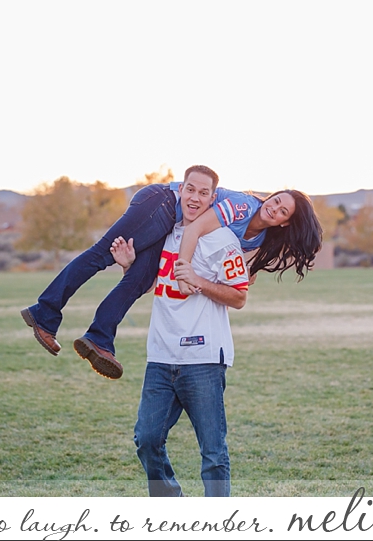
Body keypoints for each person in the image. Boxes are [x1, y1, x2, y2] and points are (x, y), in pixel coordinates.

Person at [21, 165, 322, 379]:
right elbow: (194, 230)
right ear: (271, 195)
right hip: (161, 202)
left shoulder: (257, 239)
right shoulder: (242, 206)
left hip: (169, 224)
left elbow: (240, 274)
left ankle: (99, 338)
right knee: (101, 255)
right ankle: (45, 312)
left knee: (138, 281)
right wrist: (184, 270)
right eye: (277, 200)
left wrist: (243, 275)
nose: (274, 208)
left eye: (283, 211)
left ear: (285, 223)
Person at [111, 166, 246, 497]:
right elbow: (152, 284)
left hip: (202, 358)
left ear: (213, 199)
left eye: (203, 193)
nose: (195, 198)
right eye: (190, 189)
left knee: (213, 452)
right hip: (160, 355)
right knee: (147, 440)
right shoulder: (164, 233)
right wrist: (130, 266)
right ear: (180, 191)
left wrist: (198, 281)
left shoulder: (224, 241)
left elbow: (240, 296)